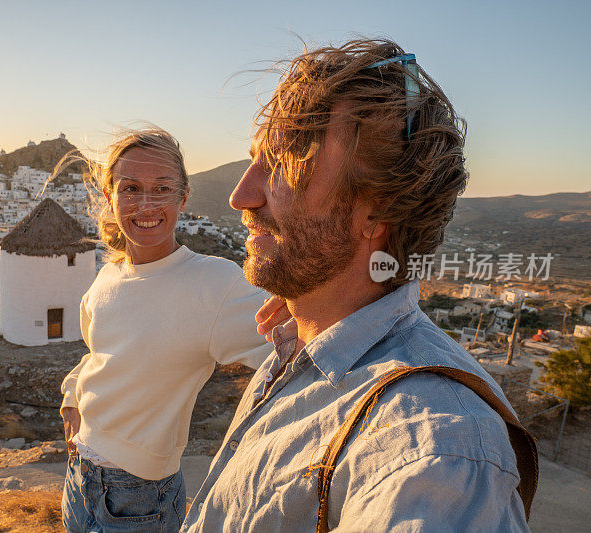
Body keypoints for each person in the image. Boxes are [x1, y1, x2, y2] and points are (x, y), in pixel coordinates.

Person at [183, 39, 536, 532]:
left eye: (285, 165)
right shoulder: (304, 344)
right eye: (255, 160)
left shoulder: (434, 450)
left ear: (381, 213)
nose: (240, 194)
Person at [59, 127, 280, 532]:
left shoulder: (215, 284)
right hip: (77, 478)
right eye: (131, 188)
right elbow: (97, 353)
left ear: (183, 197)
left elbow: (299, 347)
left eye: (162, 189)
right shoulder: (106, 277)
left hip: (139, 497)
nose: (146, 204)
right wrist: (72, 394)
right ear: (111, 197)